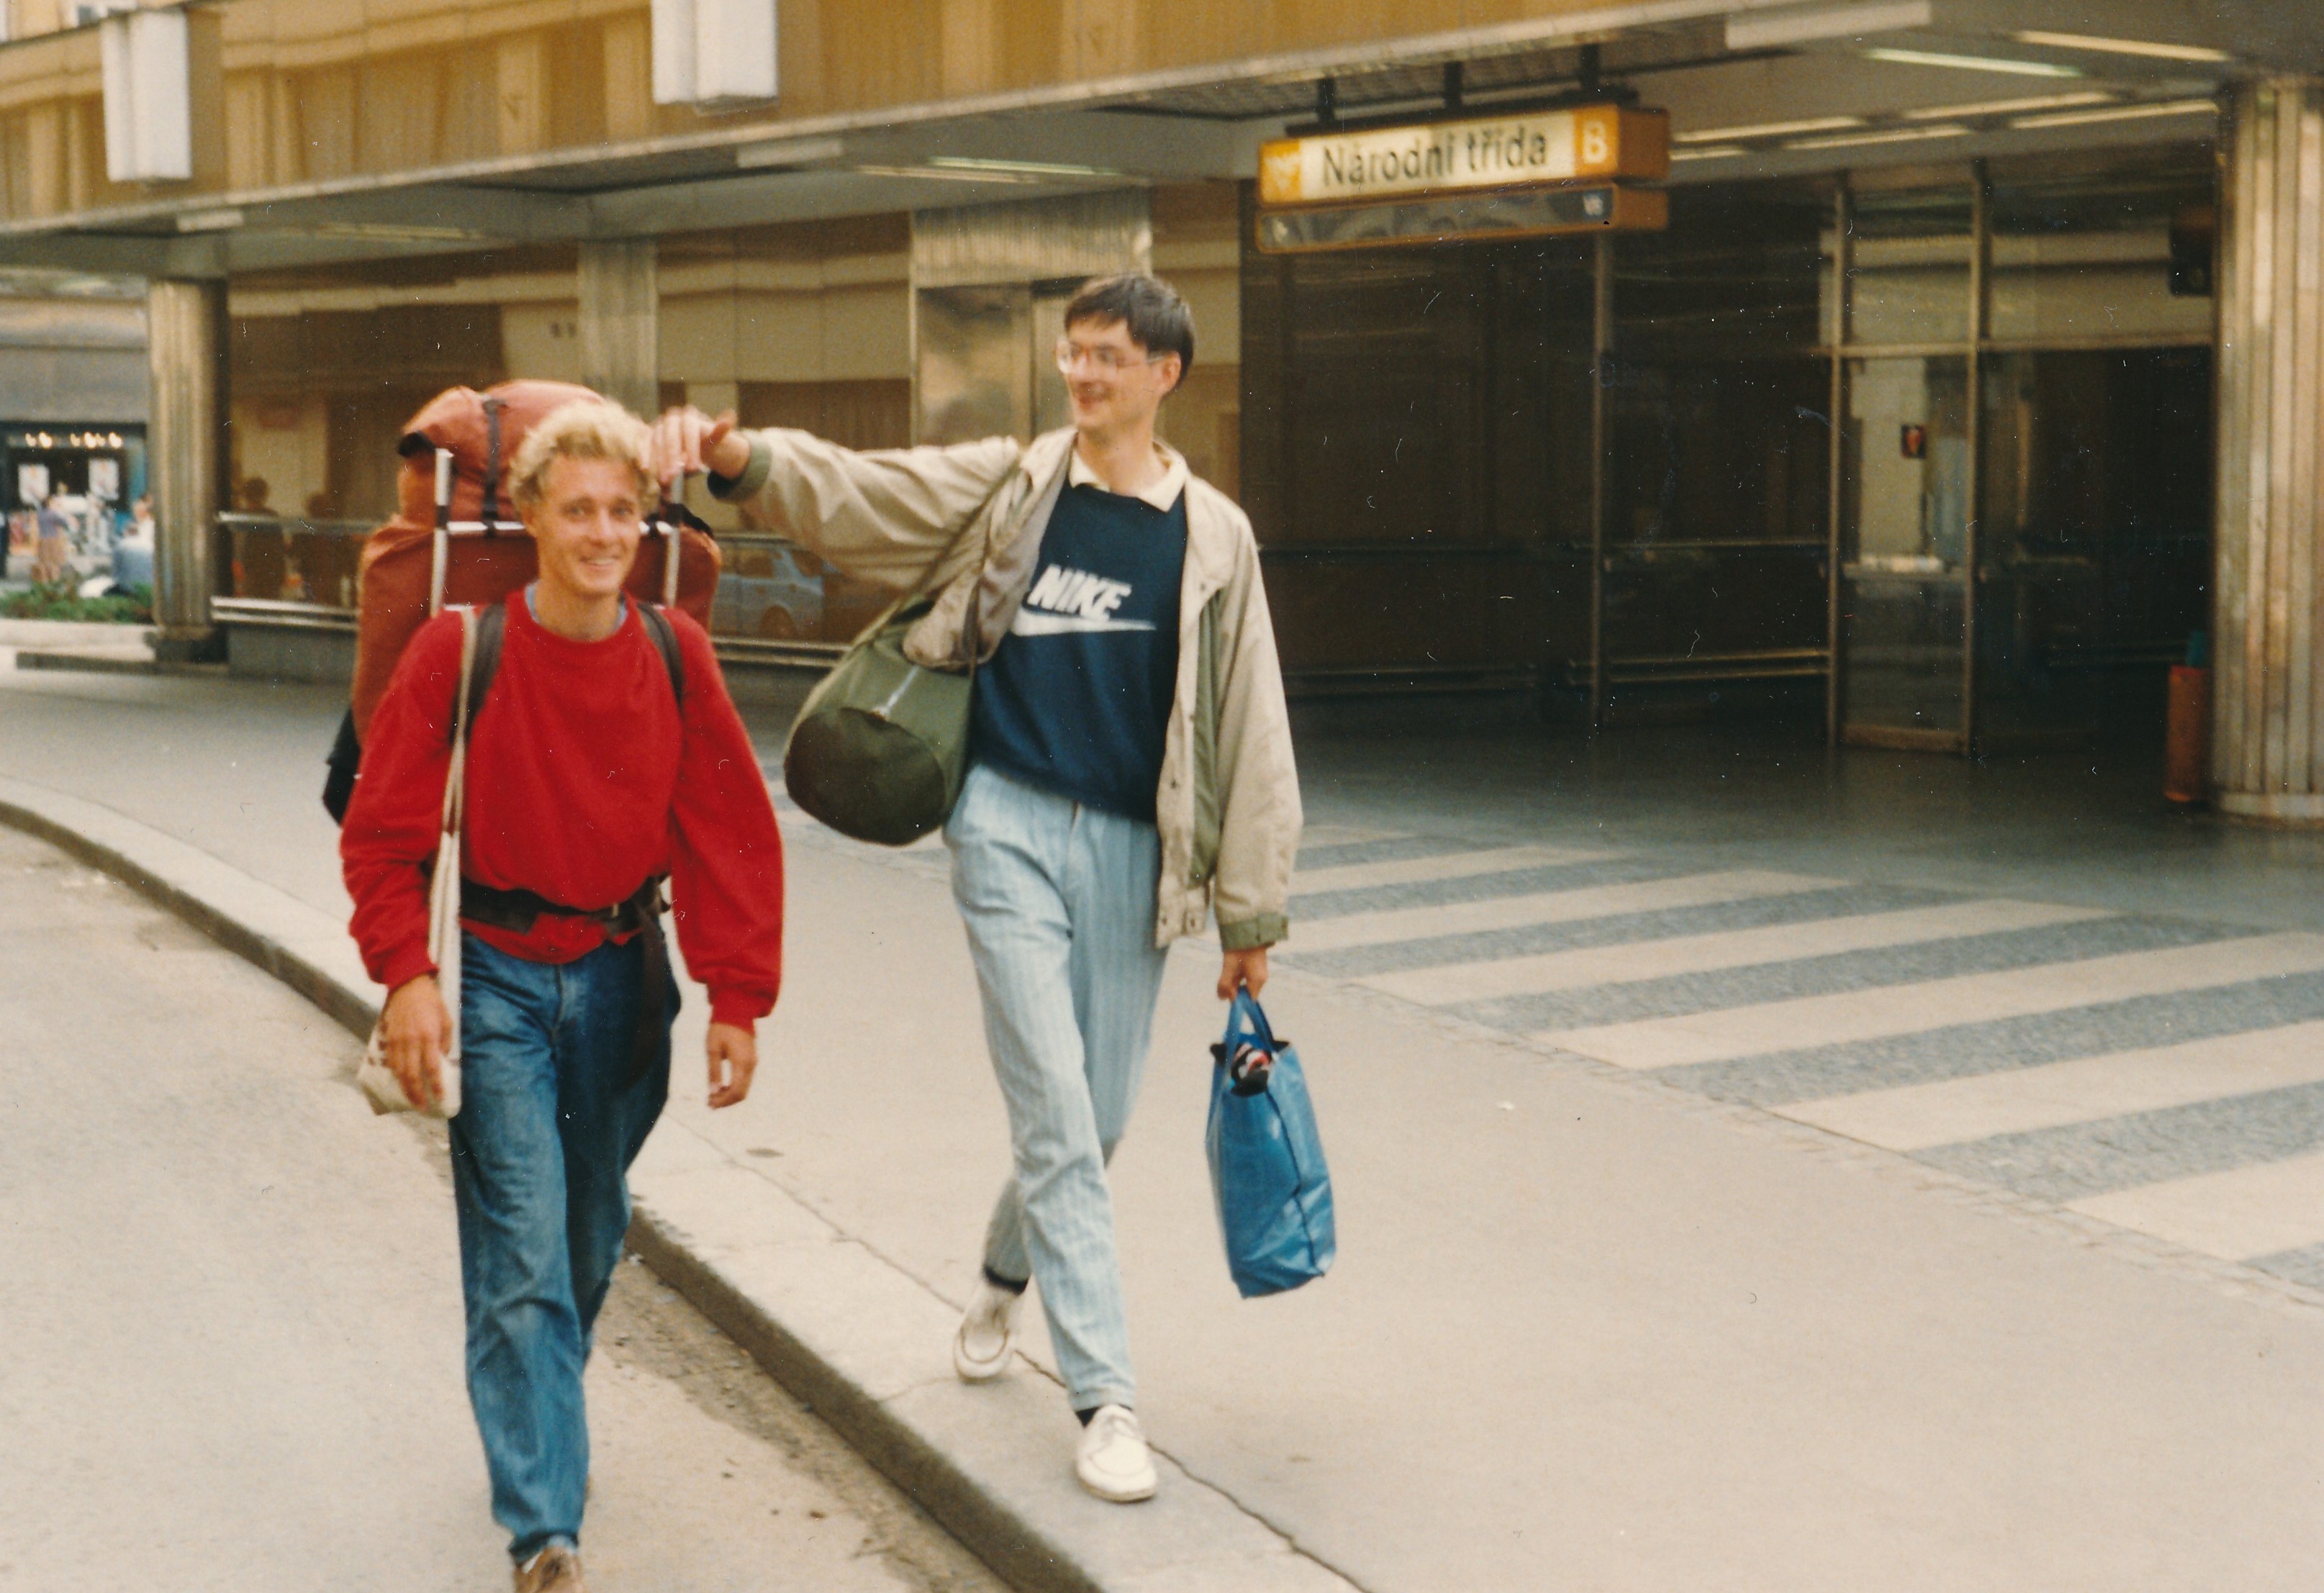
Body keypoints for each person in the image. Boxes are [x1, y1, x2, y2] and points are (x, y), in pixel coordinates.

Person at [654, 273, 1301, 1504]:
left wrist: (1249, 910)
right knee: (1055, 1107)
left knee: (1096, 1117)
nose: (1083, 374)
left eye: (1108, 355)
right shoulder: (1015, 484)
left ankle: (1005, 1275)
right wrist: (743, 458)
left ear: (1164, 373)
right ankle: (1105, 1398)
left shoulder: (1212, 536)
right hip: (1003, 824)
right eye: (1072, 352)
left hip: (1133, 848)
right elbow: (864, 492)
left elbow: (1247, 719)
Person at [341, 401, 783, 1592]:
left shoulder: (673, 653)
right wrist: (408, 974)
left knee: (587, 1233)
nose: (600, 532)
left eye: (621, 511)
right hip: (491, 974)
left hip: (622, 978)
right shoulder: (458, 650)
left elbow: (730, 828)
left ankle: (539, 1407)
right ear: (529, 515)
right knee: (524, 1247)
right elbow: (381, 837)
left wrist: (737, 996)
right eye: (577, 508)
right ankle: (544, 1530)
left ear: (644, 524)